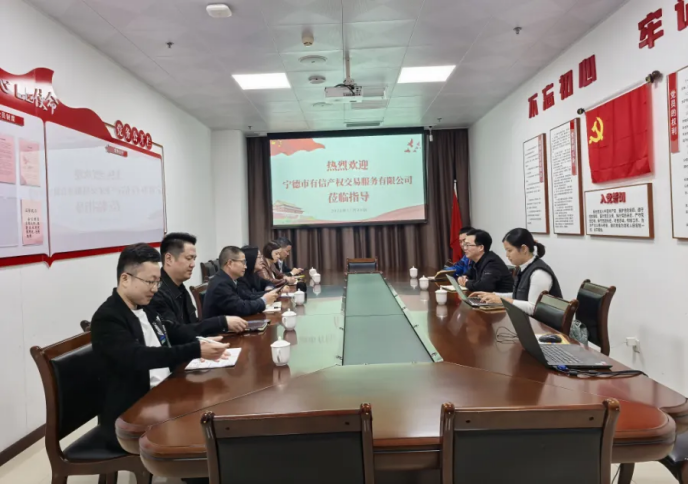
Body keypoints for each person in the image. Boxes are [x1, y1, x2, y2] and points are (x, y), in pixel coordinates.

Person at [91, 243, 230, 451]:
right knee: (203, 434)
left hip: (162, 394)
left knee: (218, 404)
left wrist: (203, 342)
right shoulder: (108, 318)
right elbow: (139, 357)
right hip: (131, 413)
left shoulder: (145, 308)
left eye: (157, 282)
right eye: (150, 282)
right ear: (125, 279)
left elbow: (172, 331)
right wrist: (196, 350)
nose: (155, 289)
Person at [149, 232, 247, 334]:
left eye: (194, 259)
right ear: (169, 259)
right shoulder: (157, 292)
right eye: (188, 258)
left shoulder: (180, 288)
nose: (193, 264)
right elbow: (175, 334)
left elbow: (193, 324)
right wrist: (221, 322)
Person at [473, 228, 562, 315]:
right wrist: (493, 295)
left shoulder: (539, 273)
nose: (507, 255)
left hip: (544, 324)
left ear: (524, 249)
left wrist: (502, 300)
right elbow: (518, 296)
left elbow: (533, 308)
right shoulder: (523, 268)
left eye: (509, 250)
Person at [203, 245, 280, 318]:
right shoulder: (221, 284)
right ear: (230, 263)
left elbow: (242, 303)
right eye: (243, 262)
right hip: (222, 327)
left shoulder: (227, 279)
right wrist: (264, 300)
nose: (245, 266)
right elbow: (241, 308)